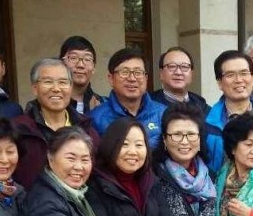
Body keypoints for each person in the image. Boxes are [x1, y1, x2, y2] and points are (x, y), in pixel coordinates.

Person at [13, 57, 100, 188]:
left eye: (63, 82)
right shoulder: (19, 129)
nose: (56, 88)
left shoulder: (86, 128)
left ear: (70, 87)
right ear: (35, 88)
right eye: (48, 82)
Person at [204, 50, 253, 174]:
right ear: (219, 83)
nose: (239, 80)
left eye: (244, 73)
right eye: (230, 75)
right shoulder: (207, 124)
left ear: (252, 78)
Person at [90, 48, 166, 148]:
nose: (132, 78)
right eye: (124, 72)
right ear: (111, 78)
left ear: (146, 78)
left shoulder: (163, 114)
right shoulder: (95, 119)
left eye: (138, 72)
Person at [149, 46, 209, 115]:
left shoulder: (201, 105)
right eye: (172, 66)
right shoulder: (148, 105)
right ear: (161, 73)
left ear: (192, 74)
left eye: (184, 67)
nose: (178, 72)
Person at [59, 35, 104, 115]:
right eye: (73, 58)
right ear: (61, 63)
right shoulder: (48, 104)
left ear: (94, 67)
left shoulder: (103, 106)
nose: (80, 65)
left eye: (87, 59)